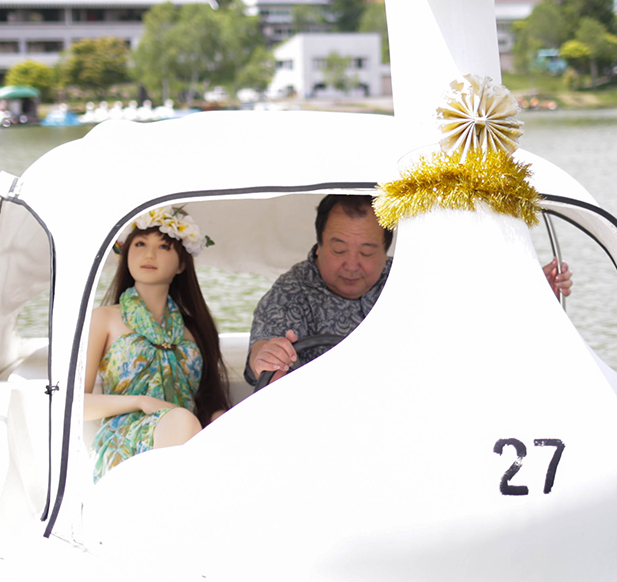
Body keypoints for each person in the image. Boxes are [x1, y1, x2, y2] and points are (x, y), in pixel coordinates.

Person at [246, 194, 572, 386]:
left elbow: (475, 311)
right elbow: (262, 358)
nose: (352, 265)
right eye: (339, 250)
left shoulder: (412, 276)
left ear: (387, 251)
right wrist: (265, 357)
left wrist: (533, 292)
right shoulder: (290, 294)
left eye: (368, 252)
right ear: (318, 246)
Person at [85, 206, 229, 478]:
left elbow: (209, 398)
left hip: (189, 435)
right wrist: (142, 402)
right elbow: (75, 405)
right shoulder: (104, 319)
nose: (149, 254)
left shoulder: (195, 328)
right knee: (182, 421)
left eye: (164, 246)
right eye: (139, 243)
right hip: (126, 440)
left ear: (182, 263)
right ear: (125, 253)